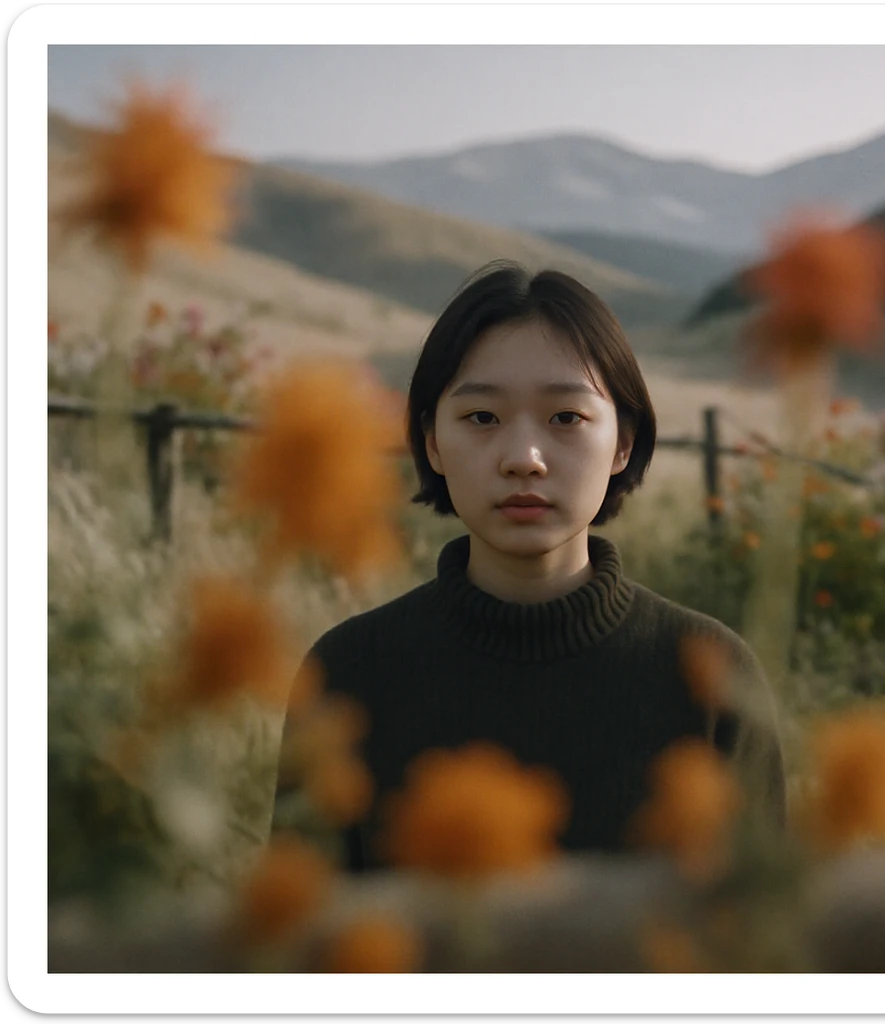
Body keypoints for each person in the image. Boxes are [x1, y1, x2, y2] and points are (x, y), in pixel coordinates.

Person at [272, 260, 786, 872]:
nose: (524, 458)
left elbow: (763, 946)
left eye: (566, 417)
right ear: (432, 440)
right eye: (481, 418)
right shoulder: (351, 674)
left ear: (623, 440)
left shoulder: (710, 677)